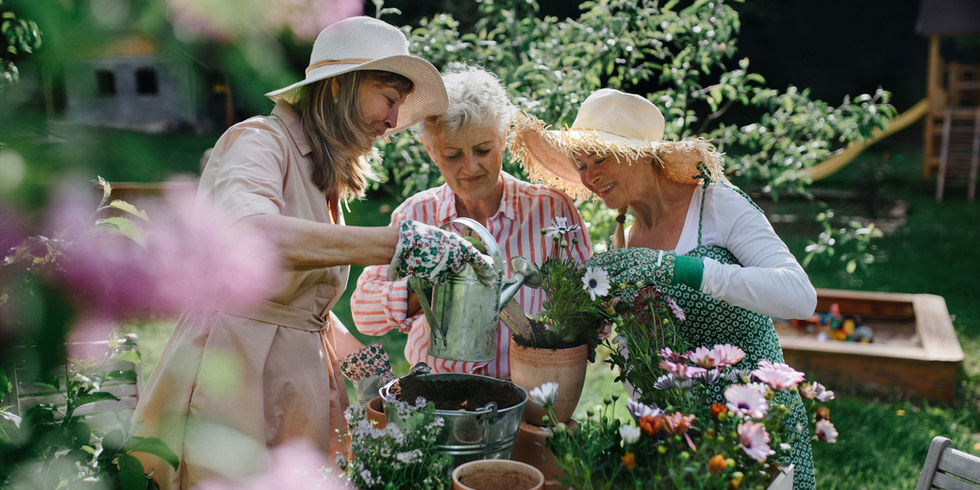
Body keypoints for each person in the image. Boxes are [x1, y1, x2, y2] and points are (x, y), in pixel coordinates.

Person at [131, 17, 492, 489]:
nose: (391, 122)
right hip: (237, 380)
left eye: (400, 105)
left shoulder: (322, 179)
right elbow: (252, 234)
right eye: (389, 98)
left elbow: (305, 307)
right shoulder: (258, 141)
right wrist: (398, 242)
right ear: (340, 86)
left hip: (294, 383)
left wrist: (377, 377)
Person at [509, 88, 818, 489]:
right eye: (580, 164)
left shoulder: (716, 204)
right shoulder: (624, 242)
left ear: (642, 153)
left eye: (600, 158)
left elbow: (800, 296)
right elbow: (643, 354)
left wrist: (681, 268)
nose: (588, 177)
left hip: (754, 424)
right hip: (680, 436)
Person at [350, 66, 592, 379]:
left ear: (504, 138)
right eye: (452, 155)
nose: (470, 167)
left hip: (530, 397)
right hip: (439, 397)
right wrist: (420, 288)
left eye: (483, 150)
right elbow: (363, 314)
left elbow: (594, 312)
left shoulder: (550, 212)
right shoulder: (417, 215)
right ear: (431, 151)